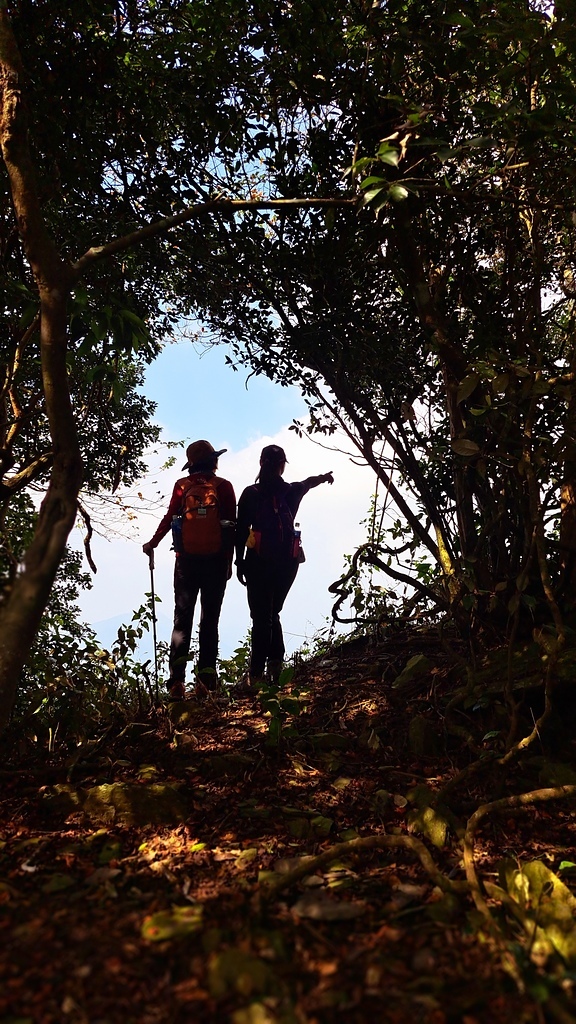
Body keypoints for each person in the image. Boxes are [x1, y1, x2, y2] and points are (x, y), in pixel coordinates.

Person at [142, 440, 236, 700]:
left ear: (192, 464)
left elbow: (170, 516)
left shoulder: (182, 487)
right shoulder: (224, 487)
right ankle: (206, 683)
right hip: (216, 561)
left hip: (186, 562)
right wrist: (230, 561)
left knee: (181, 621)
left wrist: (153, 543)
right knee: (209, 621)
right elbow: (231, 527)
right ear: (214, 461)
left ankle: (176, 684)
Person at [235, 444, 333, 691]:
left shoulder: (250, 493)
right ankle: (276, 665)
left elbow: (240, 531)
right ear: (282, 466)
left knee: (261, 617)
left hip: (258, 562)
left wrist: (238, 561)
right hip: (288, 563)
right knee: (273, 612)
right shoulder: (292, 491)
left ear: (261, 463)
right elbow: (309, 482)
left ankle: (256, 677)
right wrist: (324, 477)